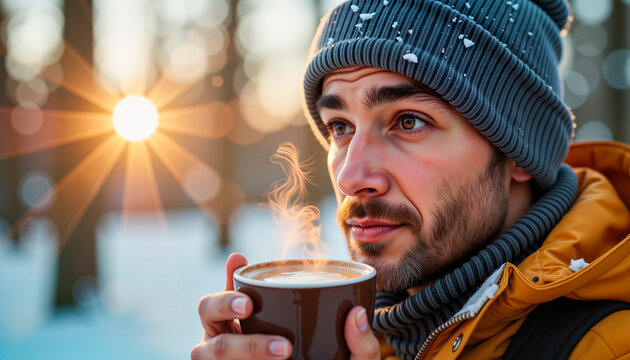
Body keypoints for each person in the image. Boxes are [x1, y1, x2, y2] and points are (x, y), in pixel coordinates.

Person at [192, 1, 630, 359]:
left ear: (519, 151)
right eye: (340, 126)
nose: (350, 178)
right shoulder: (367, 337)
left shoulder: (608, 346)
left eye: (408, 121)